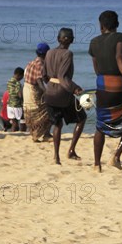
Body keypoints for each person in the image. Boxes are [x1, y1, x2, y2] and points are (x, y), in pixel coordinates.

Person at [88, 10, 122, 172]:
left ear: (101, 26)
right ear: (117, 24)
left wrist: (104, 82)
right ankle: (116, 156)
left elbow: (96, 67)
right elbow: (119, 57)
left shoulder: (94, 42)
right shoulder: (121, 37)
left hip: (102, 85)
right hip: (118, 85)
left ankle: (97, 164)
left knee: (100, 125)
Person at [44, 28, 86, 165]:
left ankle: (56, 157)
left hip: (49, 92)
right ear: (72, 40)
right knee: (82, 118)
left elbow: (44, 75)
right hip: (63, 93)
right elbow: (63, 77)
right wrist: (75, 88)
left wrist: (51, 85)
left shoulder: (49, 52)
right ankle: (71, 150)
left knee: (57, 125)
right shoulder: (68, 53)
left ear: (58, 38)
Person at [23, 42, 52, 142]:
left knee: (32, 114)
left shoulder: (31, 63)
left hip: (26, 90)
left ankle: (34, 135)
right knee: (49, 111)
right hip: (33, 91)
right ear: (46, 54)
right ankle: (46, 135)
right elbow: (40, 82)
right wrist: (49, 92)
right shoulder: (40, 65)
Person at [6, 67, 25, 132]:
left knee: (14, 122)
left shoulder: (9, 81)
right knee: (23, 119)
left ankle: (13, 133)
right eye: (22, 76)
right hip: (17, 105)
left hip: (10, 105)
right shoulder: (18, 83)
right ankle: (23, 133)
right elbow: (20, 95)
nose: (22, 78)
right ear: (19, 75)